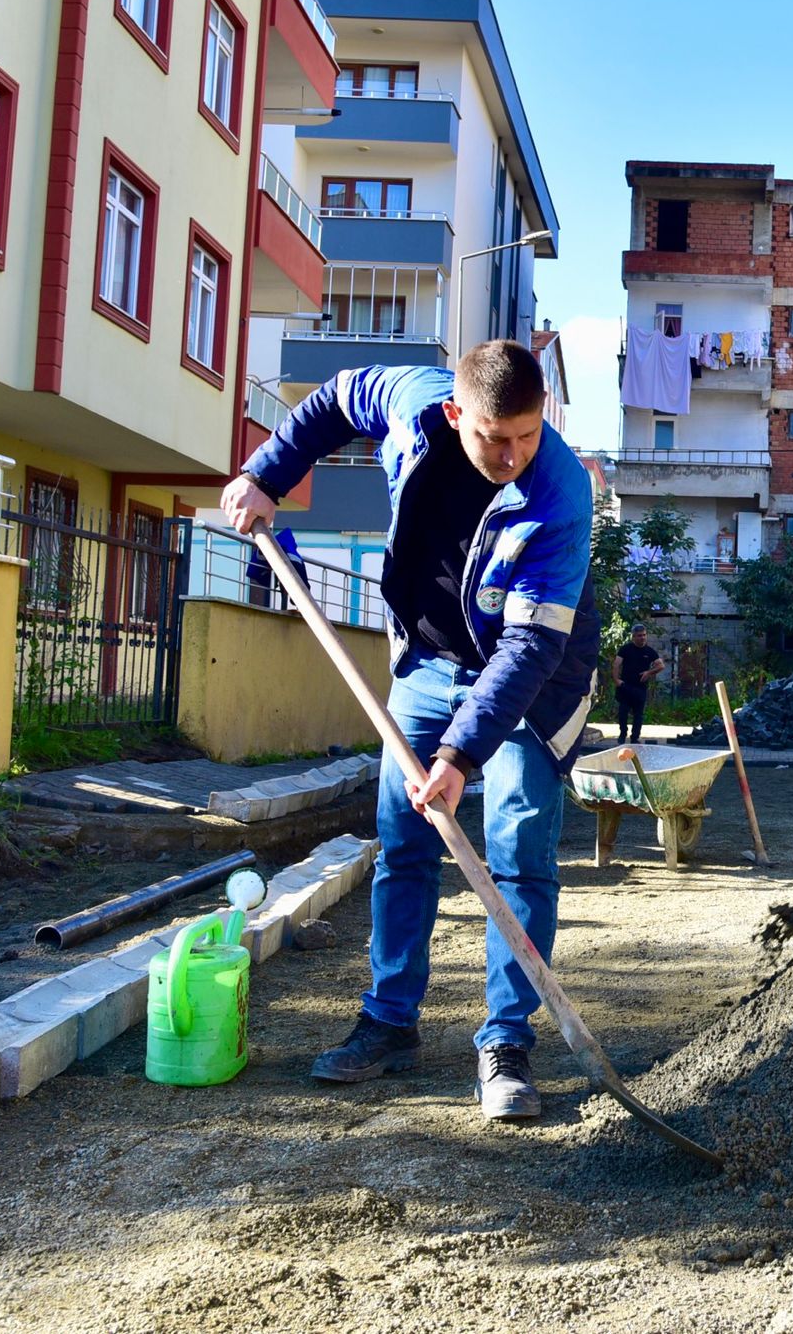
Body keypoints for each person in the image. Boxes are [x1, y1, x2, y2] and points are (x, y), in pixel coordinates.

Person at [217, 343, 601, 1121]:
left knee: (519, 852)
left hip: (530, 683)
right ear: (457, 414)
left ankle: (505, 1042)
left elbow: (529, 646)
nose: (514, 454)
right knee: (405, 842)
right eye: (497, 436)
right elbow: (331, 401)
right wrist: (266, 476)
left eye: (528, 435)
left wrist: (461, 755)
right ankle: (390, 1022)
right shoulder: (409, 401)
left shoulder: (560, 492)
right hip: (428, 664)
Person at [613, 624, 664, 743]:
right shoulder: (625, 649)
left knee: (638, 715)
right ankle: (622, 735)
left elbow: (661, 665)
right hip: (625, 686)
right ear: (633, 637)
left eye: (644, 635)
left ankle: (635, 737)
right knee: (623, 712)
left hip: (640, 687)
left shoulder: (649, 651)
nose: (642, 638)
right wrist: (616, 680)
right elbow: (616, 665)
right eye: (639, 636)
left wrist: (649, 672)